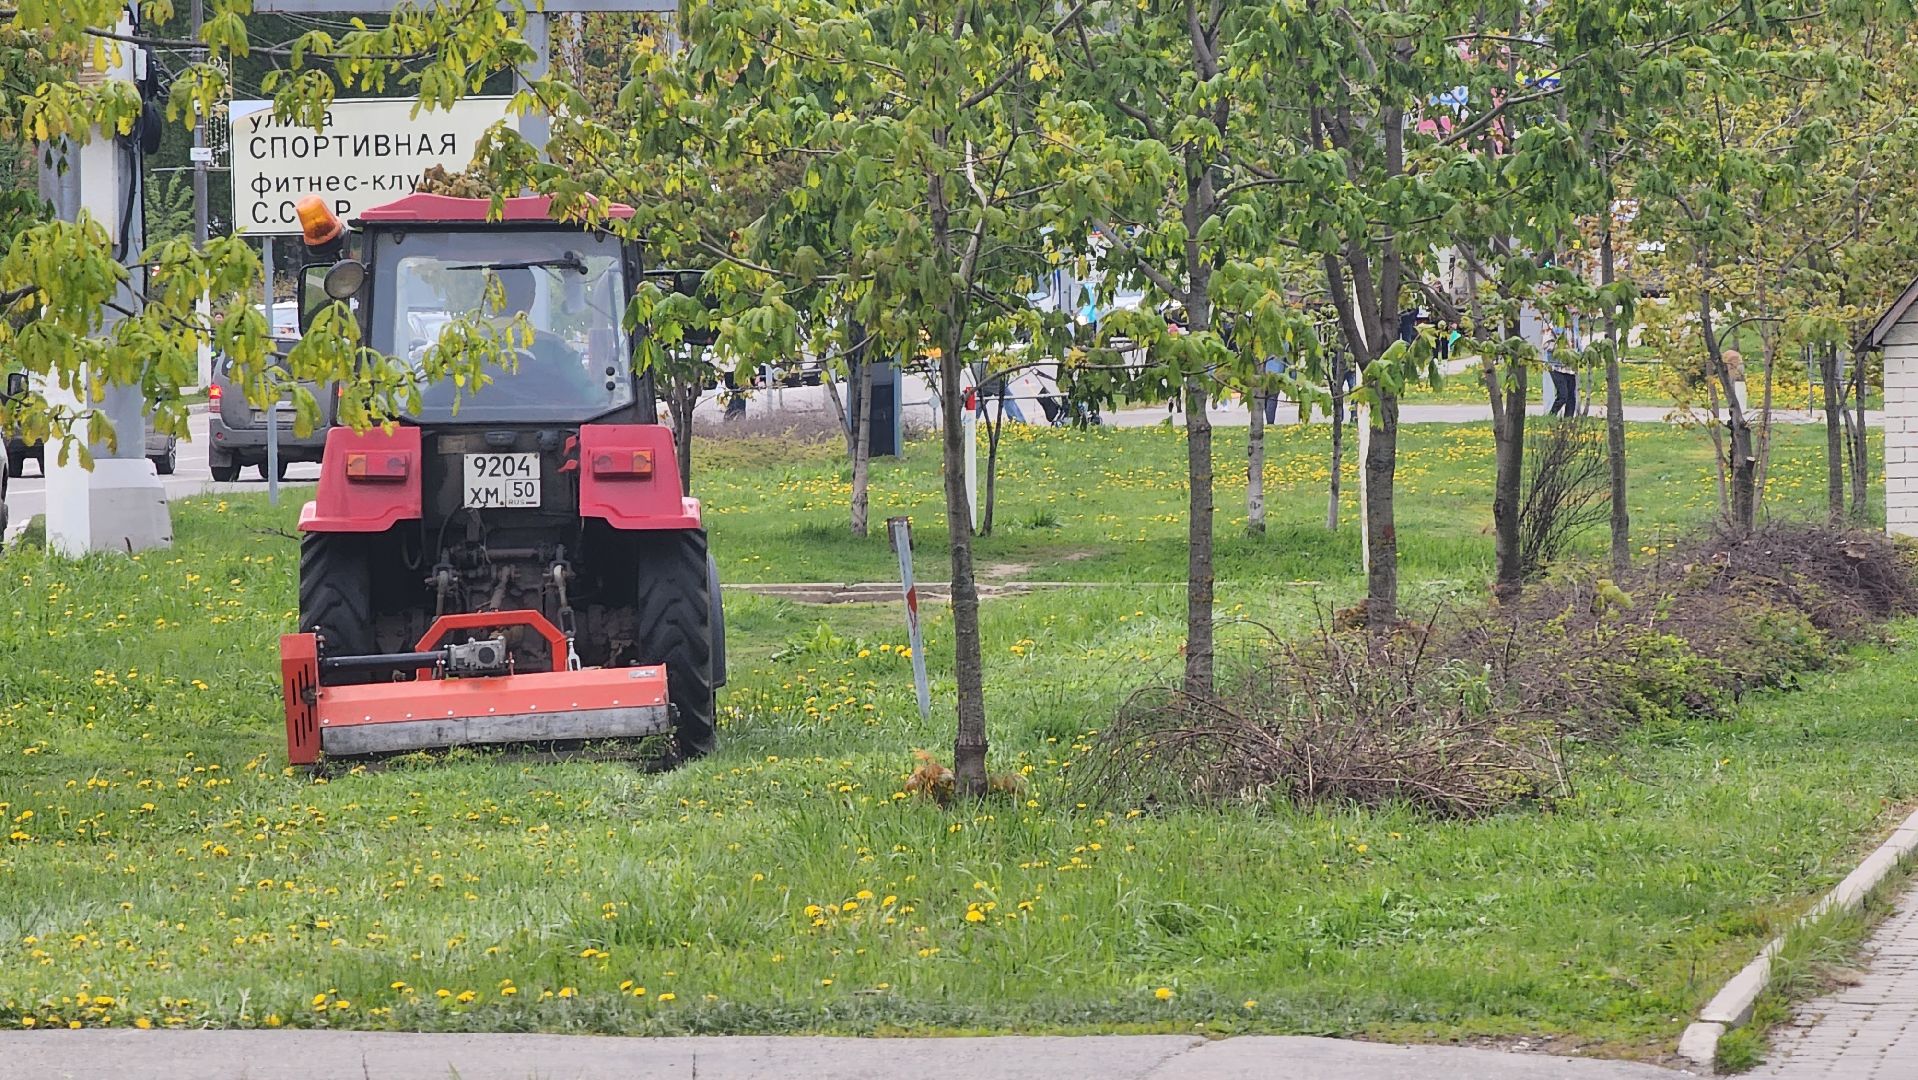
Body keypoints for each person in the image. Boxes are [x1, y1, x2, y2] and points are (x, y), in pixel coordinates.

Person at [1546, 326, 1577, 417]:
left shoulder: (1574, 328)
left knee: (1571, 398)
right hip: (1557, 366)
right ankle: (1551, 416)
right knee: (1563, 396)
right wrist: (1561, 347)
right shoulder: (1553, 326)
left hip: (1571, 368)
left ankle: (1568, 422)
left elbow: (1577, 346)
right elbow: (1546, 345)